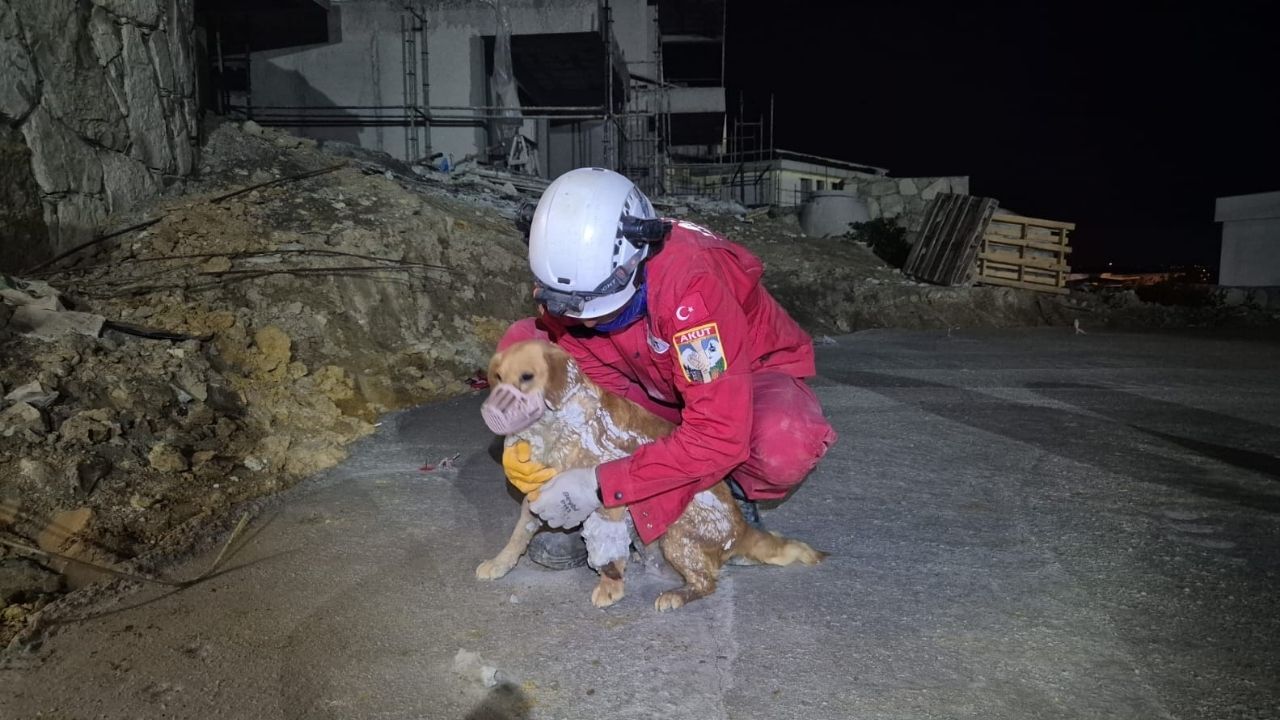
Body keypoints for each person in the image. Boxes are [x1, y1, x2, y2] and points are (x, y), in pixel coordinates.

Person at [496, 167, 836, 568]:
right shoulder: (569, 272)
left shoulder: (693, 291)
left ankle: (724, 495)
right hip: (647, 373)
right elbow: (578, 366)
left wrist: (600, 485)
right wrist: (534, 441)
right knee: (520, 347)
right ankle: (577, 499)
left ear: (635, 261)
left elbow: (717, 435)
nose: (584, 320)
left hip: (738, 377)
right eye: (571, 305)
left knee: (782, 443)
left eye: (594, 305)